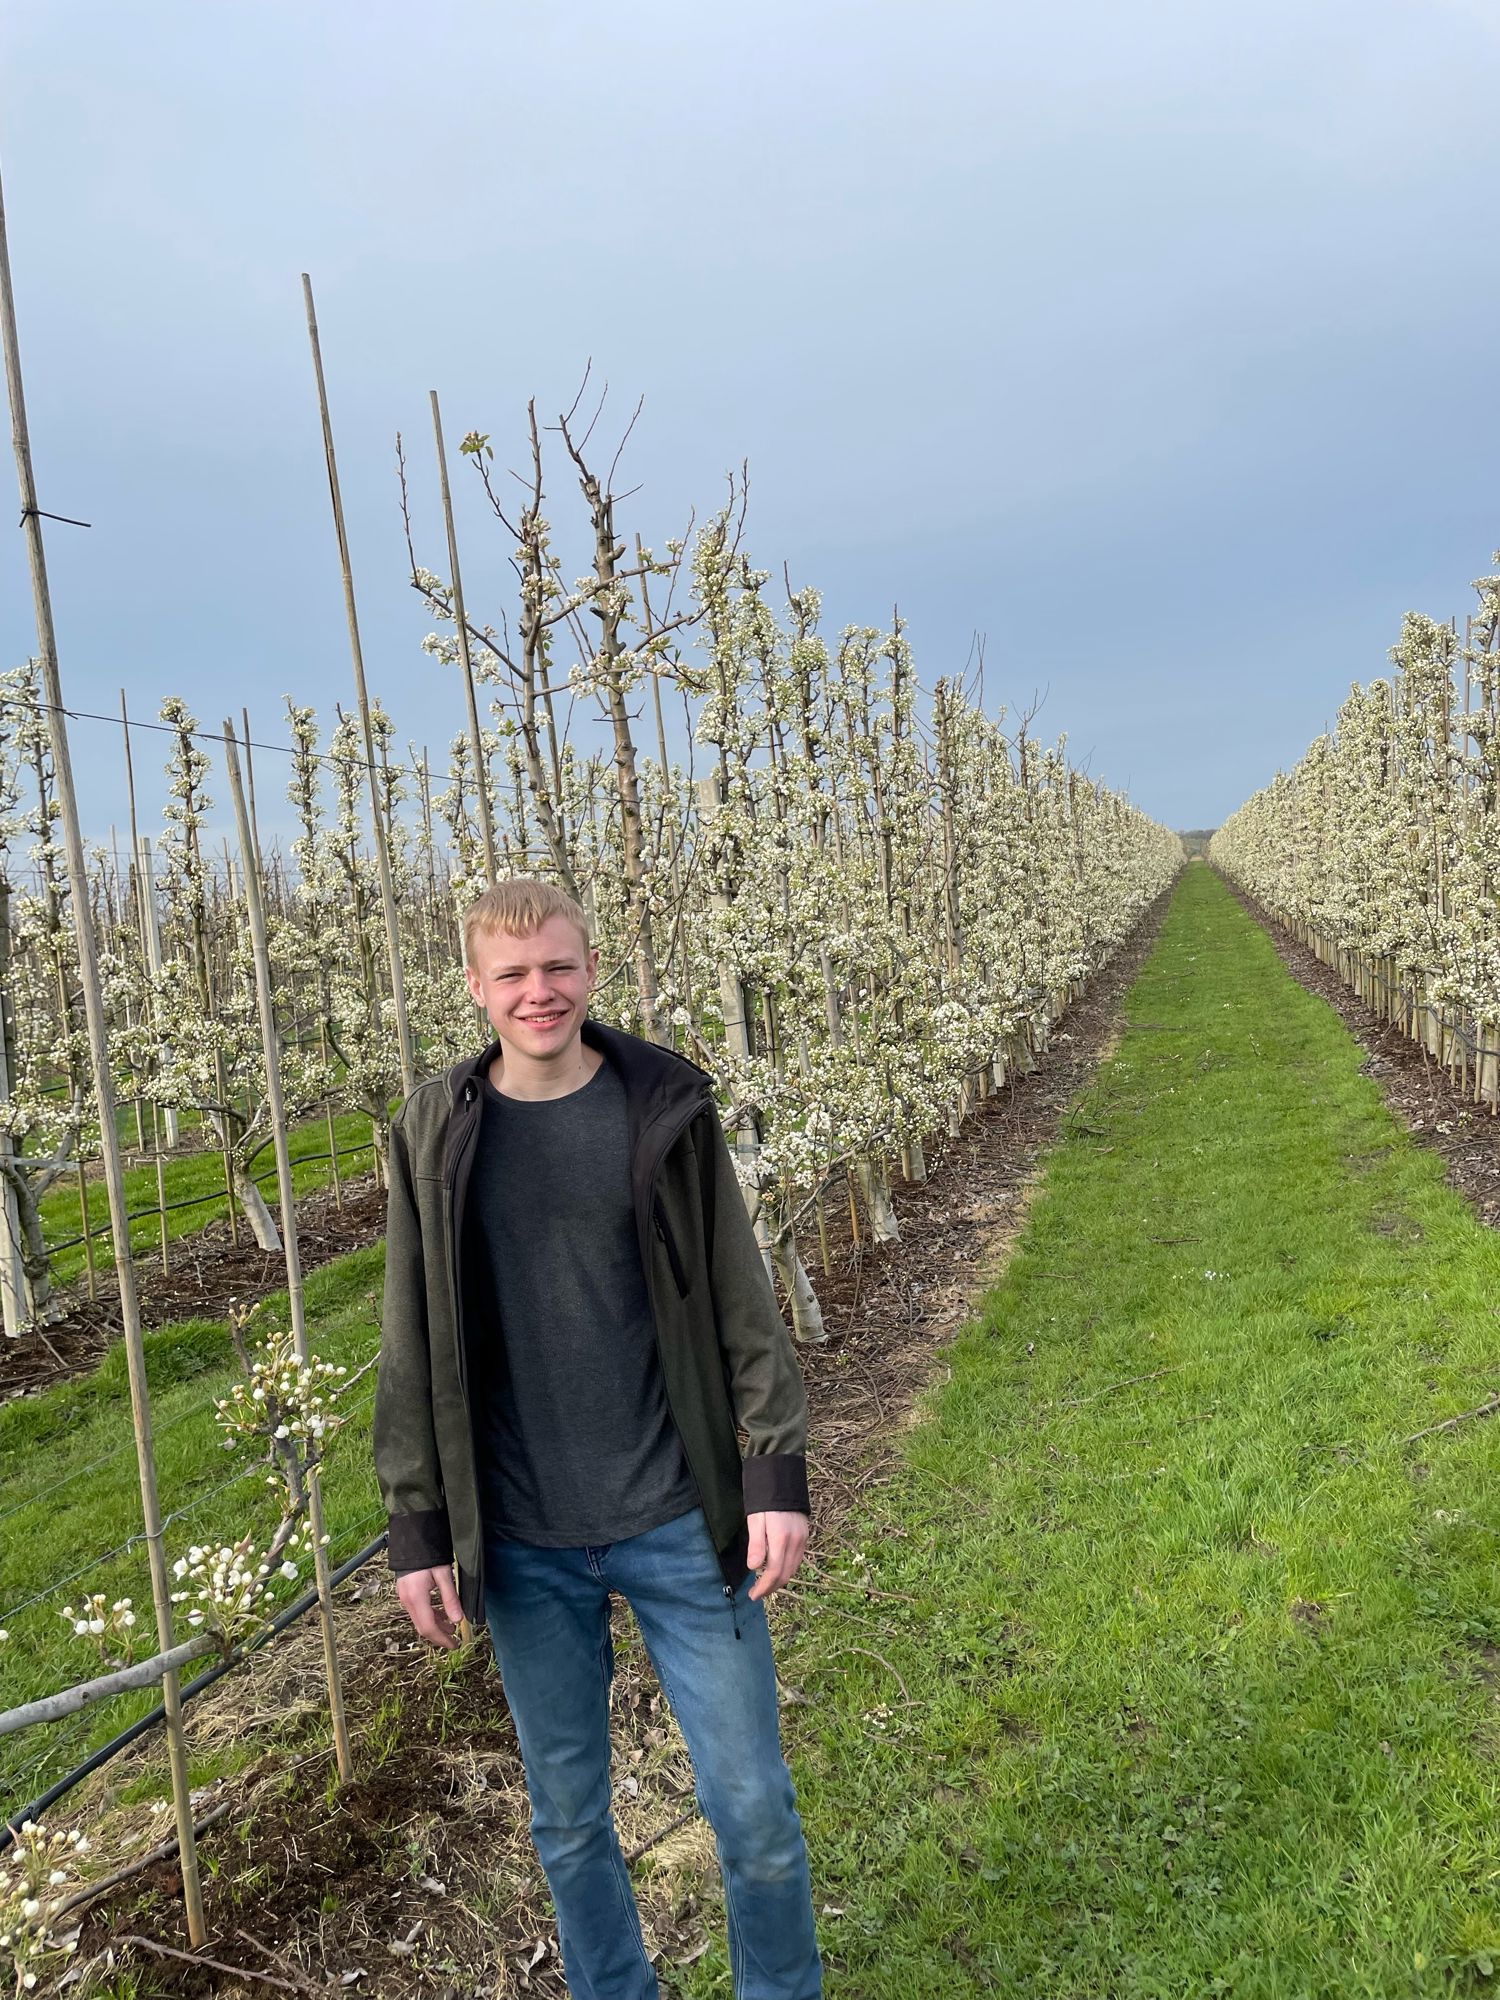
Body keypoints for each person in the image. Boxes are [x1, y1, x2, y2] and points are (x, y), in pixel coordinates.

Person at [373, 876, 823, 2000]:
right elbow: (409, 1335)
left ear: (591, 970)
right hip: (523, 1538)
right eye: (514, 974)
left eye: (559, 967)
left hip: (680, 1512)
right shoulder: (433, 1130)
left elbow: (738, 1292)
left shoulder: (661, 1105)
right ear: (476, 986)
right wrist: (418, 1523)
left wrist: (774, 1467)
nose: (540, 991)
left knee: (754, 1810)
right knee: (569, 1821)